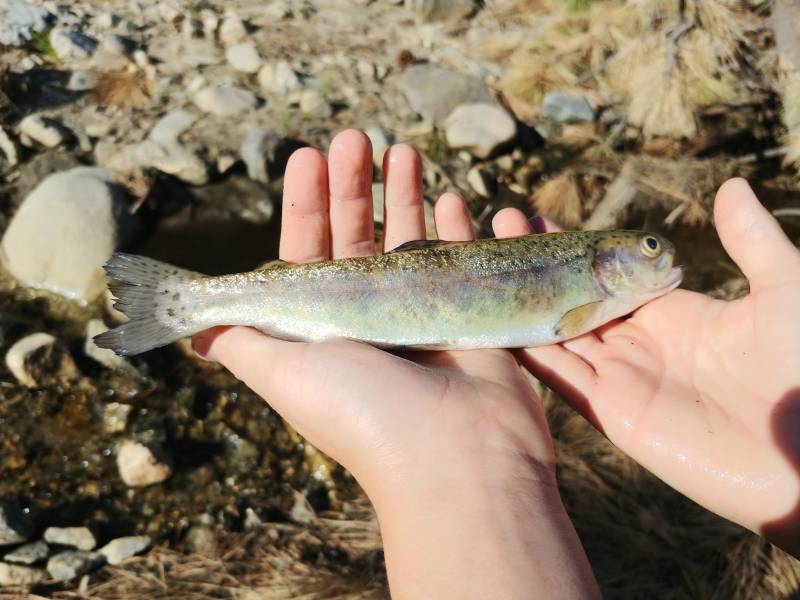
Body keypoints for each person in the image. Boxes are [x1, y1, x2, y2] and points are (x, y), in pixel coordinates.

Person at [192, 129, 800, 598]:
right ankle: (187, 300)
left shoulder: (594, 283)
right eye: (649, 249)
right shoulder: (586, 283)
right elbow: (568, 324)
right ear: (605, 262)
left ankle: (189, 300)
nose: (660, 258)